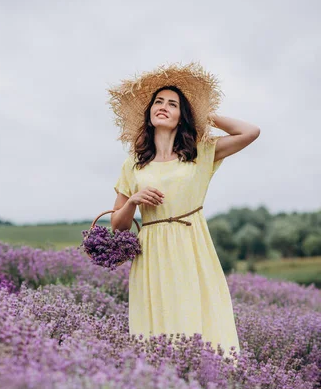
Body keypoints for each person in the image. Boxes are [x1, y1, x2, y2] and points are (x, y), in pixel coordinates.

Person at [108, 62, 260, 357]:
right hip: (150, 252)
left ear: (181, 116)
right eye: (158, 102)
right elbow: (117, 225)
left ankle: (209, 384)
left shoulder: (201, 153)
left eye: (173, 104)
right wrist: (133, 200)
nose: (163, 107)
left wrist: (205, 114)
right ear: (149, 113)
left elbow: (250, 131)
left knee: (197, 317)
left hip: (192, 246)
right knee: (156, 327)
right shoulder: (133, 164)